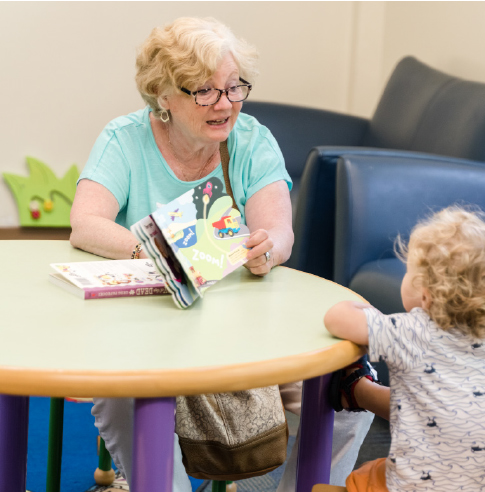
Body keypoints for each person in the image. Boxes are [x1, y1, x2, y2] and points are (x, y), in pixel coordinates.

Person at [68, 17, 370, 490]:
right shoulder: (124, 138)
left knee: (347, 393)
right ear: (163, 95)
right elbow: (85, 224)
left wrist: (268, 248)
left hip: (243, 326)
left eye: (234, 88)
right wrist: (161, 255)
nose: (225, 104)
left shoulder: (251, 139)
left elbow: (279, 232)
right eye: (204, 91)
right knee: (120, 395)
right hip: (149, 327)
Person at [324, 207, 485, 490]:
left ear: (426, 295)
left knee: (363, 477)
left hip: (428, 486)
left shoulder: (411, 332)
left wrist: (367, 312)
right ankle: (356, 391)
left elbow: (335, 319)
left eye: (408, 272)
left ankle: (352, 391)